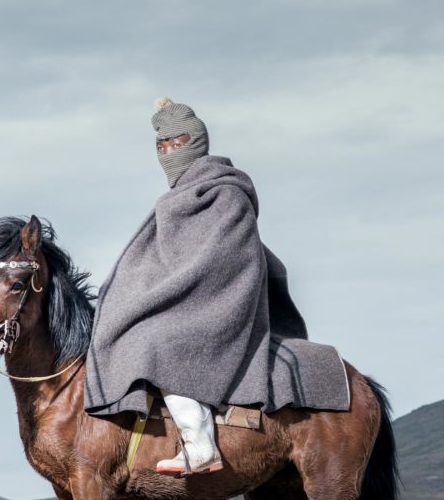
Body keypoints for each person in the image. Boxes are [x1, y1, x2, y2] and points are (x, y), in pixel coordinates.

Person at [84, 98, 348, 475]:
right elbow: (159, 260)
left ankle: (200, 445)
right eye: (163, 146)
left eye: (178, 143)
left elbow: (226, 261)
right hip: (187, 302)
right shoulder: (172, 201)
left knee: (157, 344)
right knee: (123, 331)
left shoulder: (227, 195)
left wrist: (178, 294)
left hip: (222, 306)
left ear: (197, 142)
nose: (170, 152)